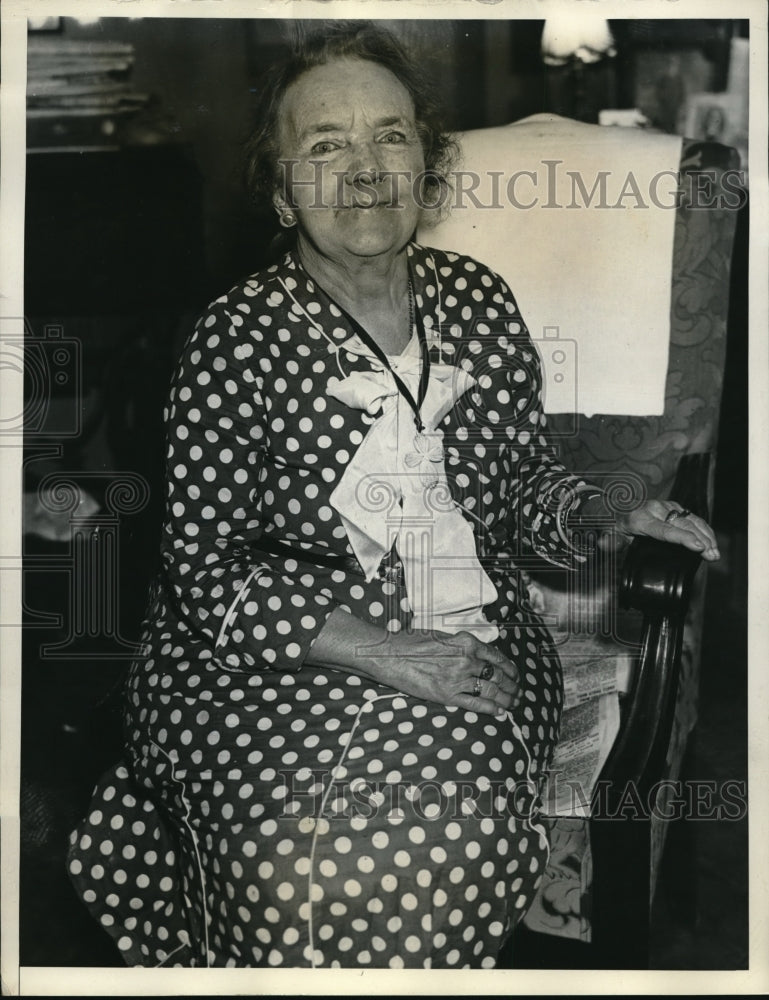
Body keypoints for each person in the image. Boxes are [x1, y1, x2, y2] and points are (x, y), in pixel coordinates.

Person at [67, 22, 720, 970]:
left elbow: (519, 483)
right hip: (258, 654)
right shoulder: (231, 339)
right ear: (282, 190)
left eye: (390, 137)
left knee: (448, 834)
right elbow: (203, 572)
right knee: (282, 859)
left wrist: (606, 507)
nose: (364, 168)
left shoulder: (479, 303)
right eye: (325, 146)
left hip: (470, 636)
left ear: (426, 166)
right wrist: (385, 653)